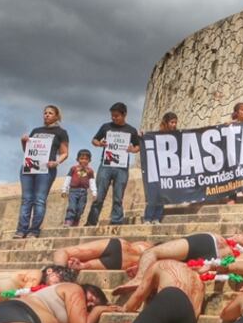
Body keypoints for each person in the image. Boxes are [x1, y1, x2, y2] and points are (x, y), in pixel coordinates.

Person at [15, 105, 70, 239]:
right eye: (45, 113)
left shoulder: (61, 132)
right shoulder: (36, 130)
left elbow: (64, 153)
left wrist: (56, 162)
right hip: (29, 168)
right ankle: (21, 230)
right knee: (26, 199)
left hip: (46, 169)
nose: (46, 115)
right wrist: (24, 142)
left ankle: (34, 230)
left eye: (50, 113)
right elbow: (27, 151)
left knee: (39, 200)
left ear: (56, 116)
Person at [113, 232, 229, 294]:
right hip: (215, 256)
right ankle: (141, 277)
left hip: (209, 243)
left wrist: (141, 274)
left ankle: (139, 279)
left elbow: (151, 253)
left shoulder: (165, 251)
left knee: (150, 252)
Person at [86, 103, 141, 227]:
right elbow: (94, 140)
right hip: (105, 165)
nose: (114, 118)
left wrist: (132, 149)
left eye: (116, 116)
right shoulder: (106, 127)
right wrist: (100, 144)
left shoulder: (131, 130)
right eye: (112, 116)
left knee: (118, 197)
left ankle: (116, 222)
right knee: (99, 196)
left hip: (122, 167)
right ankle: (91, 222)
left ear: (124, 115)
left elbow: (138, 146)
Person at [143, 112, 178, 223]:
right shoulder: (157, 135)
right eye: (172, 122)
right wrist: (142, 136)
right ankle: (148, 218)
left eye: (175, 122)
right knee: (153, 193)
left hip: (168, 169)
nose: (174, 125)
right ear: (166, 122)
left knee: (163, 194)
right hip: (156, 168)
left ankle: (157, 217)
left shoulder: (177, 135)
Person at [53, 238, 154, 275]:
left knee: (65, 253)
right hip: (122, 262)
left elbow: (61, 252)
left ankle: (60, 272)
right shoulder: (152, 250)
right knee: (67, 255)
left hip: (119, 251)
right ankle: (61, 272)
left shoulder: (148, 246)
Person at [60, 150, 96, 226]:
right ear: (77, 159)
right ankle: (68, 221)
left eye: (86, 159)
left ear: (89, 160)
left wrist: (94, 192)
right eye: (82, 158)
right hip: (73, 191)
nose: (84, 160)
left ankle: (76, 221)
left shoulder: (90, 171)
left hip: (83, 193)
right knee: (72, 206)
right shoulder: (73, 169)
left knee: (80, 209)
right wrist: (64, 190)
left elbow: (92, 182)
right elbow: (68, 179)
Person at [222, 103, 243, 203]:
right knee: (232, 173)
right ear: (237, 113)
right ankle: (232, 197)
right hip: (234, 154)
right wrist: (226, 126)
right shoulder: (231, 125)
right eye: (242, 110)